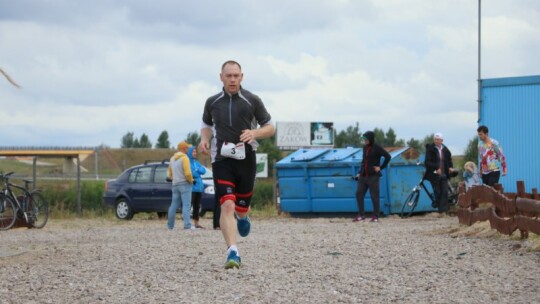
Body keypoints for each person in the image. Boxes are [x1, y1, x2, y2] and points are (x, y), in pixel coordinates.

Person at [198, 60, 275, 269]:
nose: (232, 79)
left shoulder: (252, 100)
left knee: (241, 208)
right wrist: (205, 139)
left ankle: (243, 216)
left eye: (236, 76)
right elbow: (206, 125)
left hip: (246, 159)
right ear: (221, 77)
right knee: (227, 204)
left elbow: (270, 127)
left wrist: (255, 133)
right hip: (222, 160)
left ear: (242, 77)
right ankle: (232, 251)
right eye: (228, 76)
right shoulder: (212, 102)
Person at [353, 131, 391, 223]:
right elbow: (364, 161)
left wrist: (380, 167)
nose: (364, 141)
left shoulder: (377, 148)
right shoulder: (364, 148)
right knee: (359, 194)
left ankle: (375, 217)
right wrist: (359, 172)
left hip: (373, 177)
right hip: (363, 176)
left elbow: (388, 156)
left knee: (374, 197)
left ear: (370, 139)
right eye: (363, 139)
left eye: (366, 139)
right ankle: (361, 215)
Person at [424, 132, 455, 213]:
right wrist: (436, 167)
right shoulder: (430, 149)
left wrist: (450, 167)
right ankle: (440, 209)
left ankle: (442, 211)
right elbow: (427, 162)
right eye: (435, 139)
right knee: (438, 193)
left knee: (444, 192)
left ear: (442, 140)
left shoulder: (445, 150)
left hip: (444, 174)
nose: (437, 141)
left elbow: (449, 160)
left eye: (438, 140)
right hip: (434, 174)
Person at [167, 141, 194, 230]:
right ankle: (187, 225)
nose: (188, 149)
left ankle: (170, 226)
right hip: (185, 184)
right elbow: (188, 173)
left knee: (173, 205)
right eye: (187, 148)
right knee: (186, 205)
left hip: (175, 184)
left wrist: (175, 178)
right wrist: (191, 180)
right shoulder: (185, 158)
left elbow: (170, 174)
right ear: (183, 149)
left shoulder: (172, 159)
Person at [187, 146, 206, 229]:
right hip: (192, 188)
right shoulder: (187, 162)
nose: (195, 153)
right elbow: (192, 173)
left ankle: (196, 223)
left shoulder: (196, 162)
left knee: (197, 206)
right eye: (193, 152)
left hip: (199, 188)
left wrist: (197, 170)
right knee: (189, 205)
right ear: (189, 153)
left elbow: (203, 171)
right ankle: (187, 223)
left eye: (195, 152)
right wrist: (198, 171)